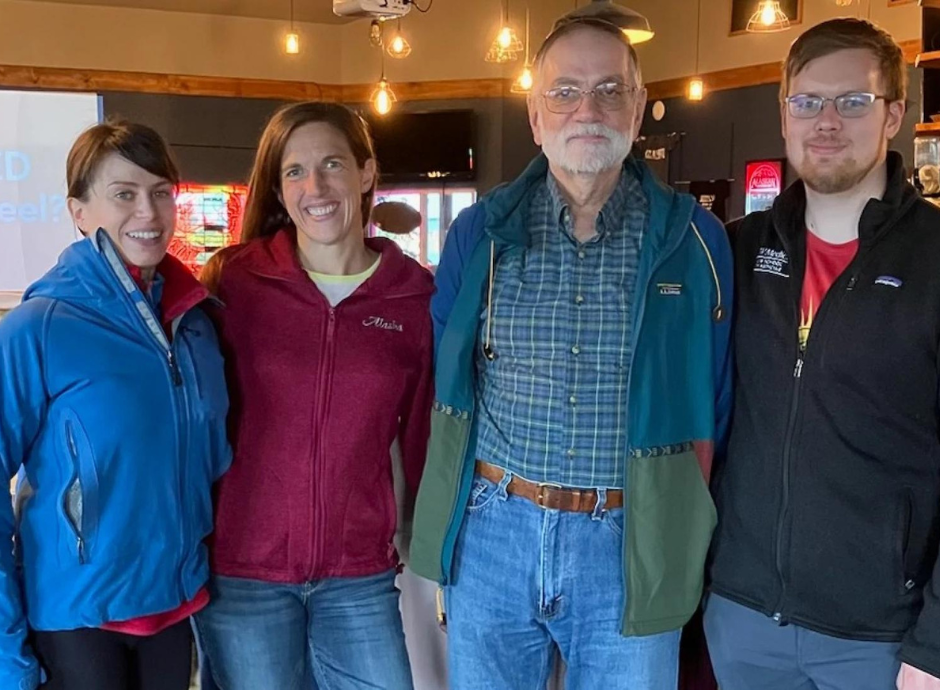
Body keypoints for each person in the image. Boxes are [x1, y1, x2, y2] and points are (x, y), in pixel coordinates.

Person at [407, 12, 733, 690]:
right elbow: (446, 381)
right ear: (534, 114)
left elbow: (717, 395)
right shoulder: (479, 234)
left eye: (611, 89)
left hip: (631, 539)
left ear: (638, 109)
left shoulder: (695, 241)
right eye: (565, 91)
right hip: (493, 530)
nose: (588, 108)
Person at [706, 18, 940, 690]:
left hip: (882, 637)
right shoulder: (737, 252)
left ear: (894, 113)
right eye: (807, 102)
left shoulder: (933, 258)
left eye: (853, 101)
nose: (826, 121)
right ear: (784, 116)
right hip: (743, 617)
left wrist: (935, 644)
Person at [193, 102, 434, 690]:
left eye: (332, 164)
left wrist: (426, 543)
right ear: (278, 187)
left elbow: (425, 435)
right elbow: (191, 418)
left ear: (367, 172)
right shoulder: (233, 281)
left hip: (359, 577)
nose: (315, 187)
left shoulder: (413, 297)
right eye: (294, 172)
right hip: (243, 573)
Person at [0, 120, 232, 690]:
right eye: (123, 195)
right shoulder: (41, 326)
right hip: (81, 619)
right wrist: (6, 652)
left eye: (160, 193)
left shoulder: (196, 322)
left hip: (176, 605)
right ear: (79, 211)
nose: (148, 214)